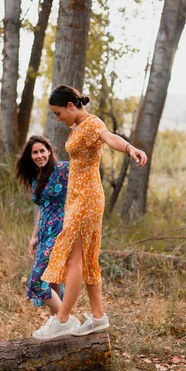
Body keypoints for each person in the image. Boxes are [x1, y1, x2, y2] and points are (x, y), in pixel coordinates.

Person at [32, 85, 148, 340]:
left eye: (58, 112)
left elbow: (110, 137)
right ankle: (98, 316)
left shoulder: (93, 123)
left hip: (87, 198)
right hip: (77, 199)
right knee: (86, 259)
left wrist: (130, 149)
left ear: (71, 106)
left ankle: (62, 319)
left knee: (74, 259)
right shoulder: (76, 128)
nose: (57, 118)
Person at [15, 135, 71, 317]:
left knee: (38, 281)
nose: (39, 155)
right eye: (35, 152)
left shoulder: (62, 169)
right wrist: (34, 236)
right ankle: (59, 323)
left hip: (60, 231)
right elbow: (42, 209)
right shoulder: (35, 177)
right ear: (30, 156)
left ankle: (66, 319)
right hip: (45, 232)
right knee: (53, 278)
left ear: (49, 151)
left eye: (42, 151)